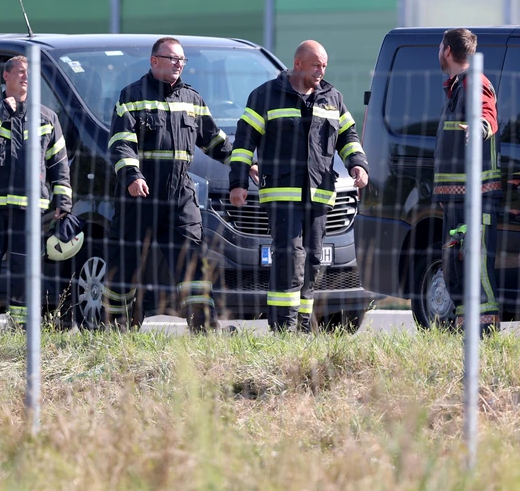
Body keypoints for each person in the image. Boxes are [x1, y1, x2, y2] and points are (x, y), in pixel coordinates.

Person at [229, 40, 369, 333]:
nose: (321, 70)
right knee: (289, 258)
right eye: (316, 64)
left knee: (314, 260)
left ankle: (303, 328)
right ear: (298, 64)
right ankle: (283, 328)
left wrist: (357, 163)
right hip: (281, 196)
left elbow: (349, 135)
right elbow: (243, 144)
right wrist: (239, 183)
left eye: (325, 65)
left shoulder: (333, 98)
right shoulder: (265, 96)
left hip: (319, 195)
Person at [104, 37, 232, 332]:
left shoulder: (192, 100)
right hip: (140, 196)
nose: (179, 64)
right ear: (154, 61)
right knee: (126, 264)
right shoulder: (131, 97)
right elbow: (120, 144)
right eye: (173, 58)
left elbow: (215, 141)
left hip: (180, 197)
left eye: (182, 60)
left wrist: (243, 162)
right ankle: (116, 330)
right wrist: (132, 176)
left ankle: (203, 330)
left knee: (193, 264)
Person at [0, 55, 72, 331]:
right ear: (6, 76)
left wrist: (63, 199)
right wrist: (1, 111)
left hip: (28, 210)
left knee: (24, 275)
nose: (26, 77)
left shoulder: (47, 117)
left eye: (30, 74)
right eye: (21, 72)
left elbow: (59, 162)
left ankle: (21, 332)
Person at [433, 28, 502, 335]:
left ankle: (483, 335)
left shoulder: (475, 83)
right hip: (455, 201)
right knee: (456, 267)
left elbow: (487, 114)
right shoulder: (456, 87)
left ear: (447, 50)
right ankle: (465, 334)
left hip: (476, 199)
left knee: (477, 267)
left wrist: (480, 125)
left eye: (440, 46)